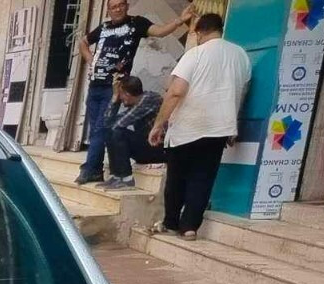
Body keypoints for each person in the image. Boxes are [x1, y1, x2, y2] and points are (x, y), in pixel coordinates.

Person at [149, 11, 251, 237]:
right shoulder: (241, 56)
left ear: (199, 32)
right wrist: (232, 123)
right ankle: (190, 228)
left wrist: (158, 124)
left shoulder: (195, 54)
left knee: (177, 178)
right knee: (202, 178)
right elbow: (240, 92)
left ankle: (171, 222)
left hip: (189, 126)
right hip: (219, 128)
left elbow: (176, 92)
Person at [76, 0, 196, 184]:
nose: (118, 9)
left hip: (115, 85)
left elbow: (160, 31)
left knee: (104, 127)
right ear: (108, 10)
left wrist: (180, 20)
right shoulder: (104, 27)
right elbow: (83, 42)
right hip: (95, 85)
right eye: (113, 6)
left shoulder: (136, 23)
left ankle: (91, 168)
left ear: (127, 5)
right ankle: (96, 169)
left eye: (121, 5)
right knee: (97, 129)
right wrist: (91, 60)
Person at [101, 75, 164, 188]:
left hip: (159, 149)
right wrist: (115, 98)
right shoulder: (136, 104)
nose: (120, 98)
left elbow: (118, 124)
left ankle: (126, 178)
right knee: (110, 132)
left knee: (118, 132)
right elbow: (107, 123)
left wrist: (115, 99)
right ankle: (116, 176)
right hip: (147, 146)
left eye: (120, 94)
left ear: (127, 94)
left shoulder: (149, 99)